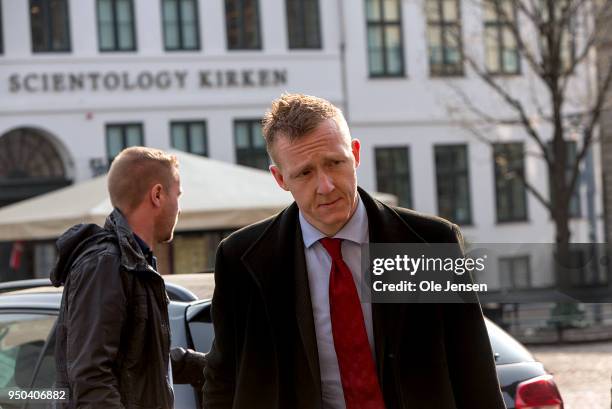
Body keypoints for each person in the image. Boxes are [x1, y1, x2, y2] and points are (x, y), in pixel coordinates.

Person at [203, 94, 506, 409]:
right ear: (280, 179)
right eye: (304, 173)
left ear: (356, 154)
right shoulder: (242, 259)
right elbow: (224, 378)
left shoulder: (428, 243)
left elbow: (473, 369)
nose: (326, 186)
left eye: (335, 163)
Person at [50, 147, 206, 409]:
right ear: (157, 195)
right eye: (177, 196)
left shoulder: (133, 264)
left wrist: (208, 365)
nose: (179, 209)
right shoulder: (105, 264)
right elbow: (91, 380)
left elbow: (135, 364)